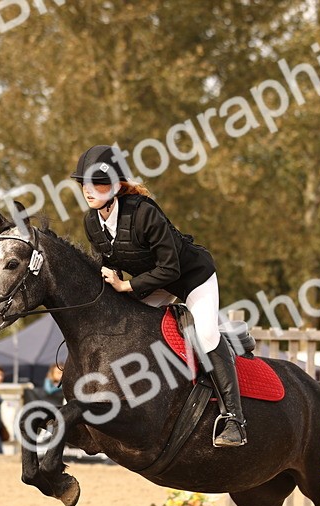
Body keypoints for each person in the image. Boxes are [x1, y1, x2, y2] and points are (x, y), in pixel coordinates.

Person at [71, 144, 246, 447]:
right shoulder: (92, 223)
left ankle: (234, 419)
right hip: (153, 282)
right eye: (84, 183)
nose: (89, 190)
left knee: (204, 336)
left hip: (190, 277)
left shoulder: (144, 214)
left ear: (114, 185)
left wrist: (127, 287)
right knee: (128, 329)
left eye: (97, 183)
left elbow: (171, 268)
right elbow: (109, 265)